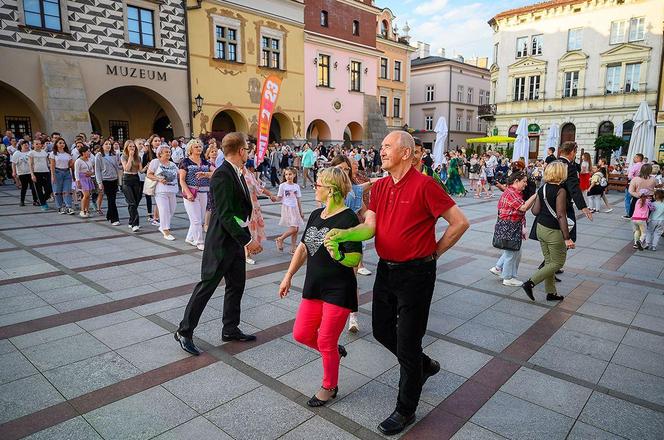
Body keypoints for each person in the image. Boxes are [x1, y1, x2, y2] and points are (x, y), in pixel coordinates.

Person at [325, 131, 469, 435]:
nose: (381, 151)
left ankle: (405, 409)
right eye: (381, 147)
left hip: (417, 274)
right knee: (380, 329)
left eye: (387, 146)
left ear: (406, 152)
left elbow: (460, 222)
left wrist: (434, 253)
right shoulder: (378, 187)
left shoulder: (426, 185)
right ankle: (423, 365)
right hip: (386, 271)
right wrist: (345, 235)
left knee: (407, 341)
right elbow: (370, 228)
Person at [279, 167, 361, 407]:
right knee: (302, 334)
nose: (315, 188)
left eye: (318, 185)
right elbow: (304, 248)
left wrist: (338, 256)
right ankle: (334, 352)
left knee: (325, 340)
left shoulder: (348, 218)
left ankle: (329, 386)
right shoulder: (316, 214)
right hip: (314, 286)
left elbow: (355, 258)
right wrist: (288, 275)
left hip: (339, 289)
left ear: (332, 190)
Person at [175, 132, 262, 355]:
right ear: (241, 151)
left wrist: (245, 236)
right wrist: (248, 241)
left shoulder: (237, 172)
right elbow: (224, 214)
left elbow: (237, 210)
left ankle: (230, 328)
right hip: (221, 242)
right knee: (207, 286)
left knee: (236, 285)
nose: (248, 154)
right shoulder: (223, 174)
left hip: (233, 241)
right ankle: (184, 331)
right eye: (247, 150)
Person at [522, 161, 574, 301]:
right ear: (561, 174)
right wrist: (567, 237)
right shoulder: (560, 191)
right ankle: (530, 283)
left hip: (541, 228)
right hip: (553, 231)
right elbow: (561, 215)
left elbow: (535, 211)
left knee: (550, 261)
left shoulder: (543, 188)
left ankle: (551, 293)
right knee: (557, 263)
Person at [489, 171, 537, 286]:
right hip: (509, 226)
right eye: (524, 182)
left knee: (516, 252)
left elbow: (522, 209)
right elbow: (524, 207)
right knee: (512, 253)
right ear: (516, 181)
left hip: (511, 226)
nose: (526, 184)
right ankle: (508, 277)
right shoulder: (511, 193)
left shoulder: (513, 192)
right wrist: (535, 196)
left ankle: (504, 271)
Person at [179, 139, 212, 251]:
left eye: (200, 146)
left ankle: (189, 237)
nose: (199, 148)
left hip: (204, 192)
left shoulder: (205, 162)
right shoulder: (185, 162)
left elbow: (216, 172)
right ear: (190, 149)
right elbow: (182, 180)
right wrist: (188, 193)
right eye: (196, 146)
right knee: (196, 220)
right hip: (191, 193)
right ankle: (199, 241)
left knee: (199, 218)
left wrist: (207, 174)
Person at [242, 159, 277, 265]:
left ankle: (247, 253)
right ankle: (245, 253)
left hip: (253, 207)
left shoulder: (249, 174)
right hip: (240, 207)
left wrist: (270, 194)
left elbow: (258, 188)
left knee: (251, 230)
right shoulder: (233, 173)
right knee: (243, 228)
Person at [148, 145, 180, 241]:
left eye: (169, 152)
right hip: (161, 191)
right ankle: (166, 231)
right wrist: (159, 179)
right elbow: (149, 174)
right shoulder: (155, 162)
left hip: (172, 190)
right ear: (160, 154)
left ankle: (162, 226)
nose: (168, 153)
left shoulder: (172, 164)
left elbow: (179, 174)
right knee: (164, 210)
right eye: (166, 152)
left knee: (172, 210)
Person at [275, 167, 304, 254]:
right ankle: (280, 239)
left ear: (294, 175)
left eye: (290, 174)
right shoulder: (282, 186)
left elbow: (298, 199)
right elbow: (279, 197)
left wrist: (301, 211)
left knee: (296, 229)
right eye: (286, 174)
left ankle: (293, 248)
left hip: (295, 208)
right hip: (287, 208)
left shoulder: (296, 186)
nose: (288, 176)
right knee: (294, 228)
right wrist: (274, 198)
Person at [94, 139, 121, 225]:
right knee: (111, 199)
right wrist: (99, 182)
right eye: (106, 144)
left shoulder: (115, 154)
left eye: (109, 144)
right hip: (105, 180)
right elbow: (97, 170)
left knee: (112, 199)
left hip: (114, 179)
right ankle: (114, 218)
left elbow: (118, 167)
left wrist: (119, 180)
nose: (108, 145)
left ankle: (109, 215)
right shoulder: (99, 155)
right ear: (102, 145)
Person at [121, 140, 143, 231]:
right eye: (130, 146)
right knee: (132, 202)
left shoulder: (138, 157)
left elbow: (140, 170)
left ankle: (131, 221)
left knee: (136, 202)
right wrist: (130, 157)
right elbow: (126, 168)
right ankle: (135, 224)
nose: (132, 148)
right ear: (126, 148)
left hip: (136, 178)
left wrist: (147, 167)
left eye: (133, 146)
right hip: (127, 179)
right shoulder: (124, 157)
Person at [49, 138, 75, 215]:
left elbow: (70, 165)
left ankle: (69, 206)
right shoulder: (53, 154)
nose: (62, 144)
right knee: (57, 191)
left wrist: (73, 162)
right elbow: (52, 166)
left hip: (67, 172)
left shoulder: (68, 154)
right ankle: (60, 207)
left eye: (63, 143)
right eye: (60, 143)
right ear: (56, 144)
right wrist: (53, 176)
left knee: (67, 190)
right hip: (57, 172)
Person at [12, 140, 38, 206]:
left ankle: (35, 201)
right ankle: (22, 201)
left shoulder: (31, 152)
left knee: (33, 187)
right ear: (21, 146)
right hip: (22, 173)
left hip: (31, 173)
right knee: (24, 187)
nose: (26, 146)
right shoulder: (17, 153)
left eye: (27, 145)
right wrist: (14, 172)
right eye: (25, 145)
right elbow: (13, 163)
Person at [28, 138, 52, 211]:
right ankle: (43, 204)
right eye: (36, 144)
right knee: (39, 190)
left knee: (49, 189)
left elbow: (47, 162)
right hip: (36, 173)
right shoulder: (31, 153)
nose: (38, 145)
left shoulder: (44, 152)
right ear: (33, 145)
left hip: (46, 172)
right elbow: (30, 164)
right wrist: (32, 174)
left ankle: (42, 200)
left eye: (39, 144)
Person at [74, 146, 95, 218]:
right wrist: (77, 181)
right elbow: (76, 171)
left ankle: (87, 210)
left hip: (88, 178)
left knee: (88, 195)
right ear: (83, 152)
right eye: (88, 151)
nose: (89, 153)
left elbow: (92, 169)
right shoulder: (78, 161)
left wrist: (91, 173)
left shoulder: (89, 160)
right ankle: (82, 210)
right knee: (86, 195)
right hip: (82, 178)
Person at [623, 153, 644, 219]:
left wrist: (632, 178)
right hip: (641, 184)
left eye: (635, 157)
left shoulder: (635, 166)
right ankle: (636, 213)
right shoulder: (643, 165)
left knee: (628, 199)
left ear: (638, 158)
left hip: (632, 184)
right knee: (636, 199)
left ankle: (629, 214)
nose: (633, 159)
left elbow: (629, 176)